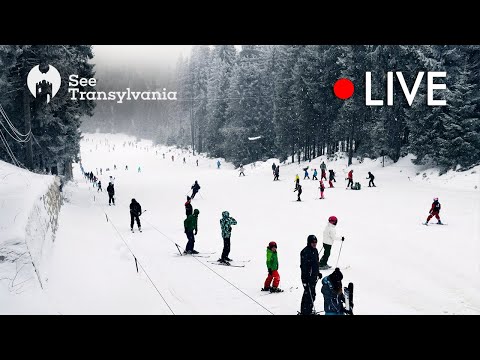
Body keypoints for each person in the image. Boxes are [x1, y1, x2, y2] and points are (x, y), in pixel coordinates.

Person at [300, 235, 321, 315]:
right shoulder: (305, 252)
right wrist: (305, 278)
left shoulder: (315, 251)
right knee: (308, 294)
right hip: (307, 277)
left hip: (313, 277)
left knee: (312, 294)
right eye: (313, 242)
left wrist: (318, 272)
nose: (314, 244)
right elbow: (303, 266)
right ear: (309, 242)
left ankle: (308, 310)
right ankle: (305, 311)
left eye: (316, 242)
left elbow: (316, 263)